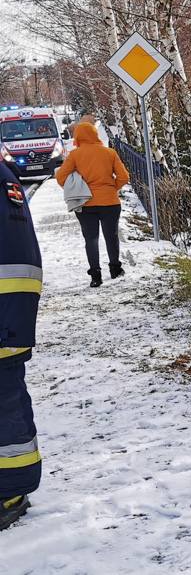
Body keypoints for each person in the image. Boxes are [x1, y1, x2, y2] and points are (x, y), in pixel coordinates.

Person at [0, 160, 42, 530]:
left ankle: (9, 494)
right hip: (9, 318)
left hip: (5, 322)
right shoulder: (6, 179)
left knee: (5, 409)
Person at [55, 122, 130, 287]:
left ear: (78, 137)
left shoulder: (75, 155)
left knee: (91, 239)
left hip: (85, 203)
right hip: (110, 202)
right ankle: (115, 269)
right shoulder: (109, 153)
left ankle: (95, 275)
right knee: (111, 236)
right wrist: (111, 188)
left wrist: (78, 188)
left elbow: (61, 177)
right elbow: (124, 177)